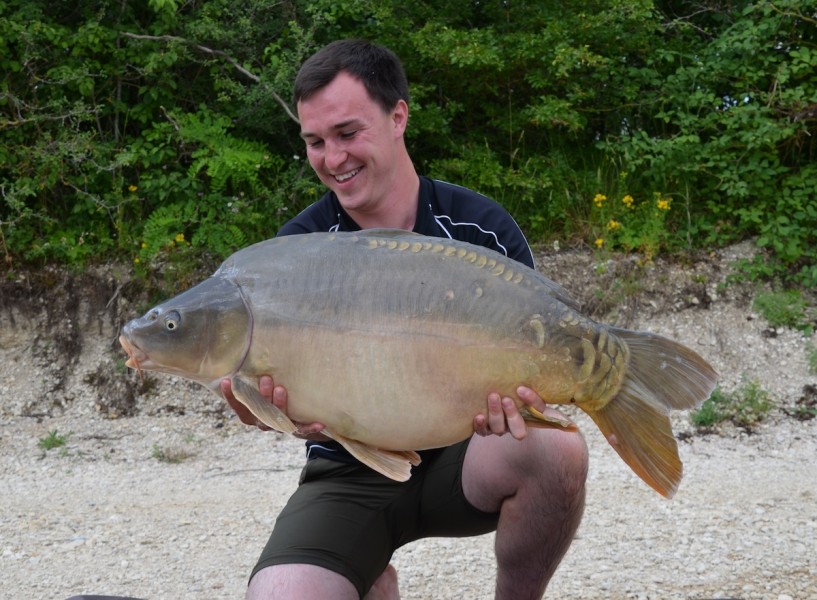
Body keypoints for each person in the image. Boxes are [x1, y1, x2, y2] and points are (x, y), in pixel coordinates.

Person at [220, 39, 589, 600]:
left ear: (398, 116)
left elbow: (532, 369)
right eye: (315, 142)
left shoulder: (481, 230)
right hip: (347, 470)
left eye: (347, 133)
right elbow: (274, 405)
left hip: (467, 450)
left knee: (558, 449)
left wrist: (523, 402)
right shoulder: (296, 253)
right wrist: (263, 410)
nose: (332, 158)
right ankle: (365, 567)